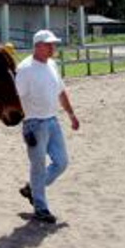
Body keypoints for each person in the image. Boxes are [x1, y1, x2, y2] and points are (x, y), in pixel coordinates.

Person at [15, 29, 80, 224]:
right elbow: (17, 98)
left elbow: (61, 92)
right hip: (34, 124)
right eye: (49, 44)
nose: (53, 48)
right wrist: (25, 126)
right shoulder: (25, 69)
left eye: (53, 44)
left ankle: (32, 189)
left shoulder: (52, 64)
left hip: (53, 121)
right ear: (38, 46)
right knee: (38, 168)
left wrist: (71, 114)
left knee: (61, 162)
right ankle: (41, 208)